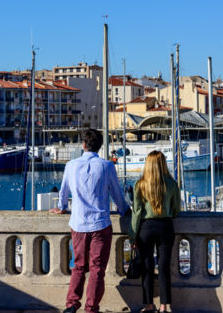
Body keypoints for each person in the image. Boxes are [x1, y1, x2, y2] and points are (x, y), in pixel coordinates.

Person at [50, 129, 129, 313]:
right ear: (100, 147)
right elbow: (117, 195)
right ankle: (91, 308)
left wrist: (61, 207)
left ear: (83, 145)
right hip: (100, 224)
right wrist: (125, 210)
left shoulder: (71, 165)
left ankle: (71, 304)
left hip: (78, 224)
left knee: (78, 266)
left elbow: (63, 192)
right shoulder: (107, 166)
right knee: (97, 270)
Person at [128, 151, 181, 313]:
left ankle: (149, 304)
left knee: (147, 268)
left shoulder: (140, 185)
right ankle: (164, 305)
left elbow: (136, 212)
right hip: (165, 227)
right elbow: (176, 210)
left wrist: (132, 236)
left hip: (145, 228)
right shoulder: (171, 183)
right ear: (163, 163)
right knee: (164, 268)